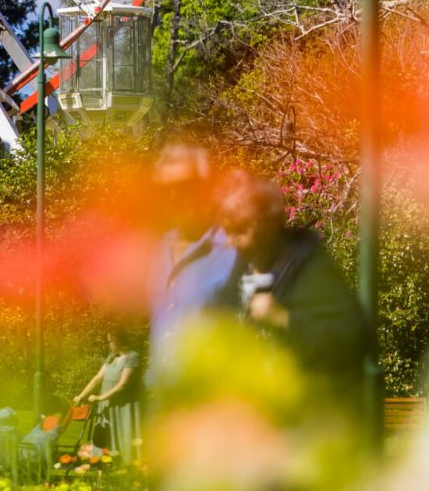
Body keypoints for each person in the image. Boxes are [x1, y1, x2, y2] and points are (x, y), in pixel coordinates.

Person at [215, 170, 367, 393]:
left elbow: (353, 339)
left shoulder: (310, 268)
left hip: (305, 405)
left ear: (268, 224)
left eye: (239, 230)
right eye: (227, 231)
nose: (231, 242)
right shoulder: (239, 271)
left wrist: (284, 319)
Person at [148, 140, 238, 383]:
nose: (174, 197)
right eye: (165, 188)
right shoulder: (156, 250)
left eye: (185, 187)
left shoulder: (233, 251)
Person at [72, 329, 138, 453]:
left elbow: (123, 384)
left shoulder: (132, 357)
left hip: (121, 405)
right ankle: (98, 461)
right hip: (106, 405)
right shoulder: (112, 357)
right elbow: (97, 378)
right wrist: (81, 396)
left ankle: (121, 462)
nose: (109, 344)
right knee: (101, 436)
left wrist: (100, 398)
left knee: (120, 439)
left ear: (118, 341)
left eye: (110, 341)